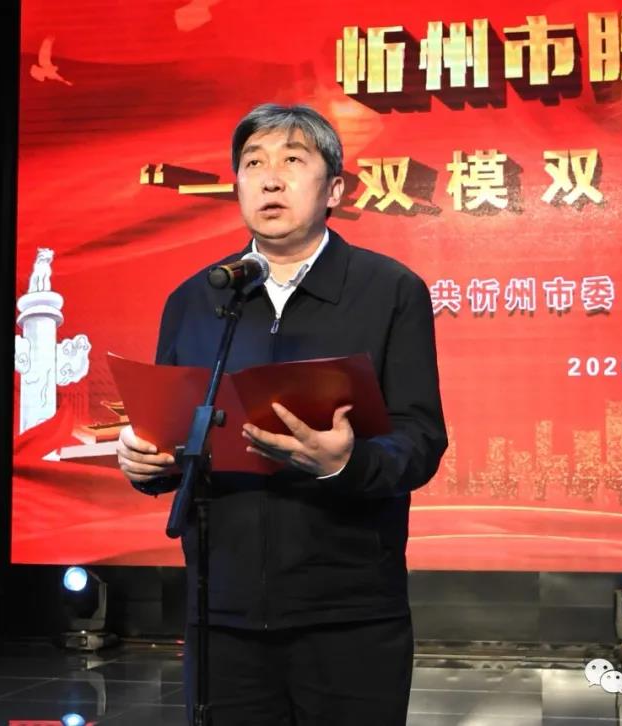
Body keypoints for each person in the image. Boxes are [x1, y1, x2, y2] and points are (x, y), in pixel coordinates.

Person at [116, 103, 447, 726]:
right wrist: (145, 461)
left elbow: (421, 439)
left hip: (349, 614)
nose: (270, 178)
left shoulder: (389, 291)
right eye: (253, 163)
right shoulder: (196, 299)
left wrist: (345, 462)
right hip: (221, 614)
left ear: (335, 190)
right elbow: (175, 438)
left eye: (293, 160)